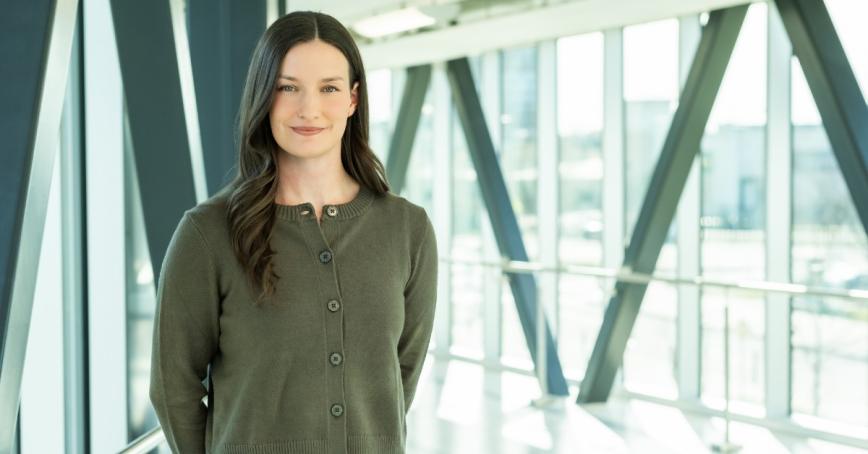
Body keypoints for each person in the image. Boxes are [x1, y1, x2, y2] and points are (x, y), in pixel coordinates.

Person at [148, 10, 438, 454]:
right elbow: (173, 387)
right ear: (264, 96)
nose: (309, 109)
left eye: (329, 88)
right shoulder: (206, 234)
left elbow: (401, 375)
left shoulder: (407, 229)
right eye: (288, 87)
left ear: (353, 100)